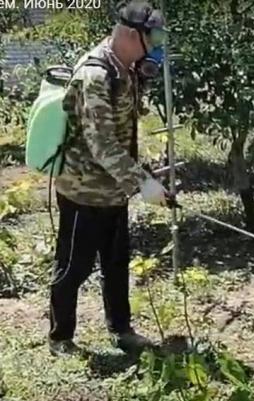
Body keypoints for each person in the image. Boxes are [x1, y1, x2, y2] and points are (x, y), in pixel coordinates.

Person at [48, 1, 172, 356]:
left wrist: (138, 176)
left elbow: (123, 133)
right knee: (74, 266)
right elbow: (101, 145)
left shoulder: (126, 68)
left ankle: (121, 329)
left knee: (116, 263)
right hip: (84, 191)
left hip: (115, 191)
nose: (159, 44)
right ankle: (60, 336)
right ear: (134, 35)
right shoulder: (96, 75)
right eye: (156, 36)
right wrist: (141, 182)